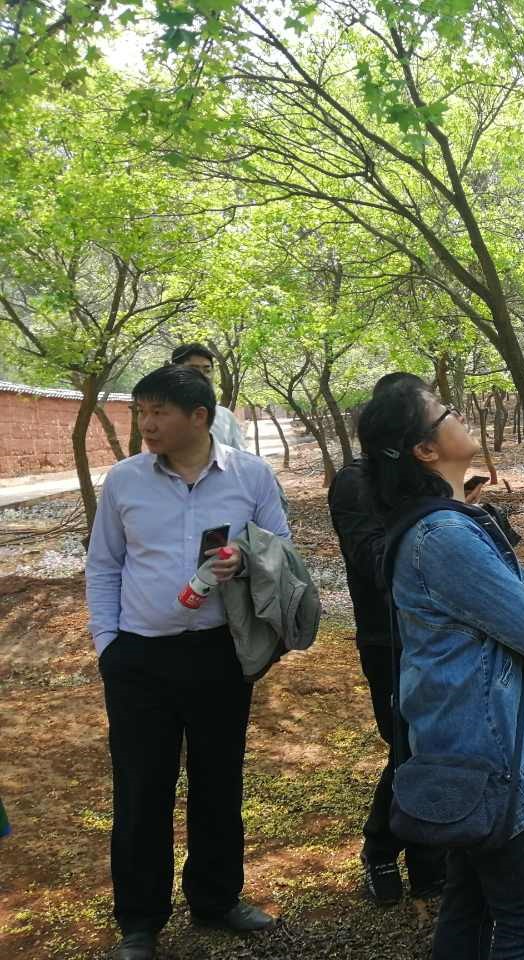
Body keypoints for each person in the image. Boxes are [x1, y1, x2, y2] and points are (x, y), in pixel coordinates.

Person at [358, 379, 524, 960]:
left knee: (470, 905)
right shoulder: (444, 535)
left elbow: (513, 600)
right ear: (425, 449)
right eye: (444, 411)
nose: (459, 414)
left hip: (465, 748)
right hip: (491, 756)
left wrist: (522, 590)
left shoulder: (446, 523)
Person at [86, 366, 288, 960]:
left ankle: (216, 899)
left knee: (218, 781)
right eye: (141, 412)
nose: (146, 425)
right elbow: (104, 564)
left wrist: (244, 562)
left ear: (199, 417)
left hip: (218, 654)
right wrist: (108, 644)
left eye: (159, 413)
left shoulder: (250, 475)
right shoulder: (125, 480)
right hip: (139, 657)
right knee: (141, 788)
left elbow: (282, 547)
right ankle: (139, 921)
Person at [327, 372, 445, 905]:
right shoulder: (355, 482)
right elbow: (376, 562)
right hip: (388, 639)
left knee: (431, 744)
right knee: (407, 746)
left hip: (435, 635)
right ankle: (379, 847)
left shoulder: (425, 478)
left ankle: (427, 863)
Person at [170, 344, 246, 450]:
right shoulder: (160, 415)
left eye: (207, 371)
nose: (202, 376)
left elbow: (240, 456)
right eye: (193, 369)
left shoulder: (225, 417)